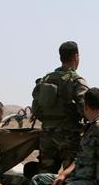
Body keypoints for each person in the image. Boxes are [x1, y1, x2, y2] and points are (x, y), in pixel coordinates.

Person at [31, 41, 90, 174]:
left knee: (45, 176)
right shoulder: (76, 80)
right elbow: (86, 108)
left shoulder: (45, 79)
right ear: (76, 57)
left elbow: (36, 109)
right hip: (68, 136)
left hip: (46, 135)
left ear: (60, 57)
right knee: (71, 176)